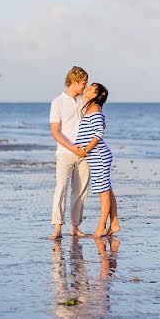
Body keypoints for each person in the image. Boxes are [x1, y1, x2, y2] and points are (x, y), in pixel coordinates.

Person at [49, 66, 91, 240]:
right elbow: (55, 131)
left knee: (81, 190)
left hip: (85, 152)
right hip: (66, 151)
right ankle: (57, 227)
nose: (85, 86)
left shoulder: (84, 100)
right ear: (73, 82)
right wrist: (71, 147)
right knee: (61, 188)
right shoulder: (57, 102)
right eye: (83, 82)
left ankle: (75, 227)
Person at [74, 83, 121, 238]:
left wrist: (85, 150)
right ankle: (114, 223)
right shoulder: (91, 108)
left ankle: (101, 227)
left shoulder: (94, 109)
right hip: (97, 157)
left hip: (99, 156)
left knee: (103, 193)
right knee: (107, 190)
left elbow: (98, 134)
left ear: (95, 95)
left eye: (91, 89)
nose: (86, 89)